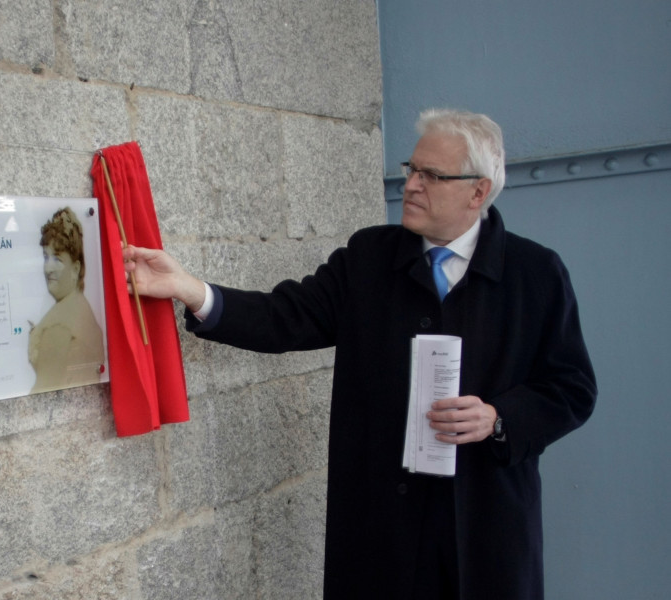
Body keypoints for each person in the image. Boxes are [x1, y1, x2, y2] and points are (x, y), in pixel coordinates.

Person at [121, 109, 597, 599]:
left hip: (485, 525)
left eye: (430, 175)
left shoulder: (535, 273)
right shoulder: (370, 256)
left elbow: (571, 389)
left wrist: (498, 418)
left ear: (478, 192)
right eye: (411, 168)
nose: (410, 185)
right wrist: (189, 289)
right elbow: (287, 316)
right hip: (381, 529)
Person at [29, 207, 105, 393]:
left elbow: (41, 392)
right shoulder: (79, 307)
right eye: (46, 257)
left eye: (58, 259)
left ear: (75, 268)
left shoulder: (59, 327)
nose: (48, 269)